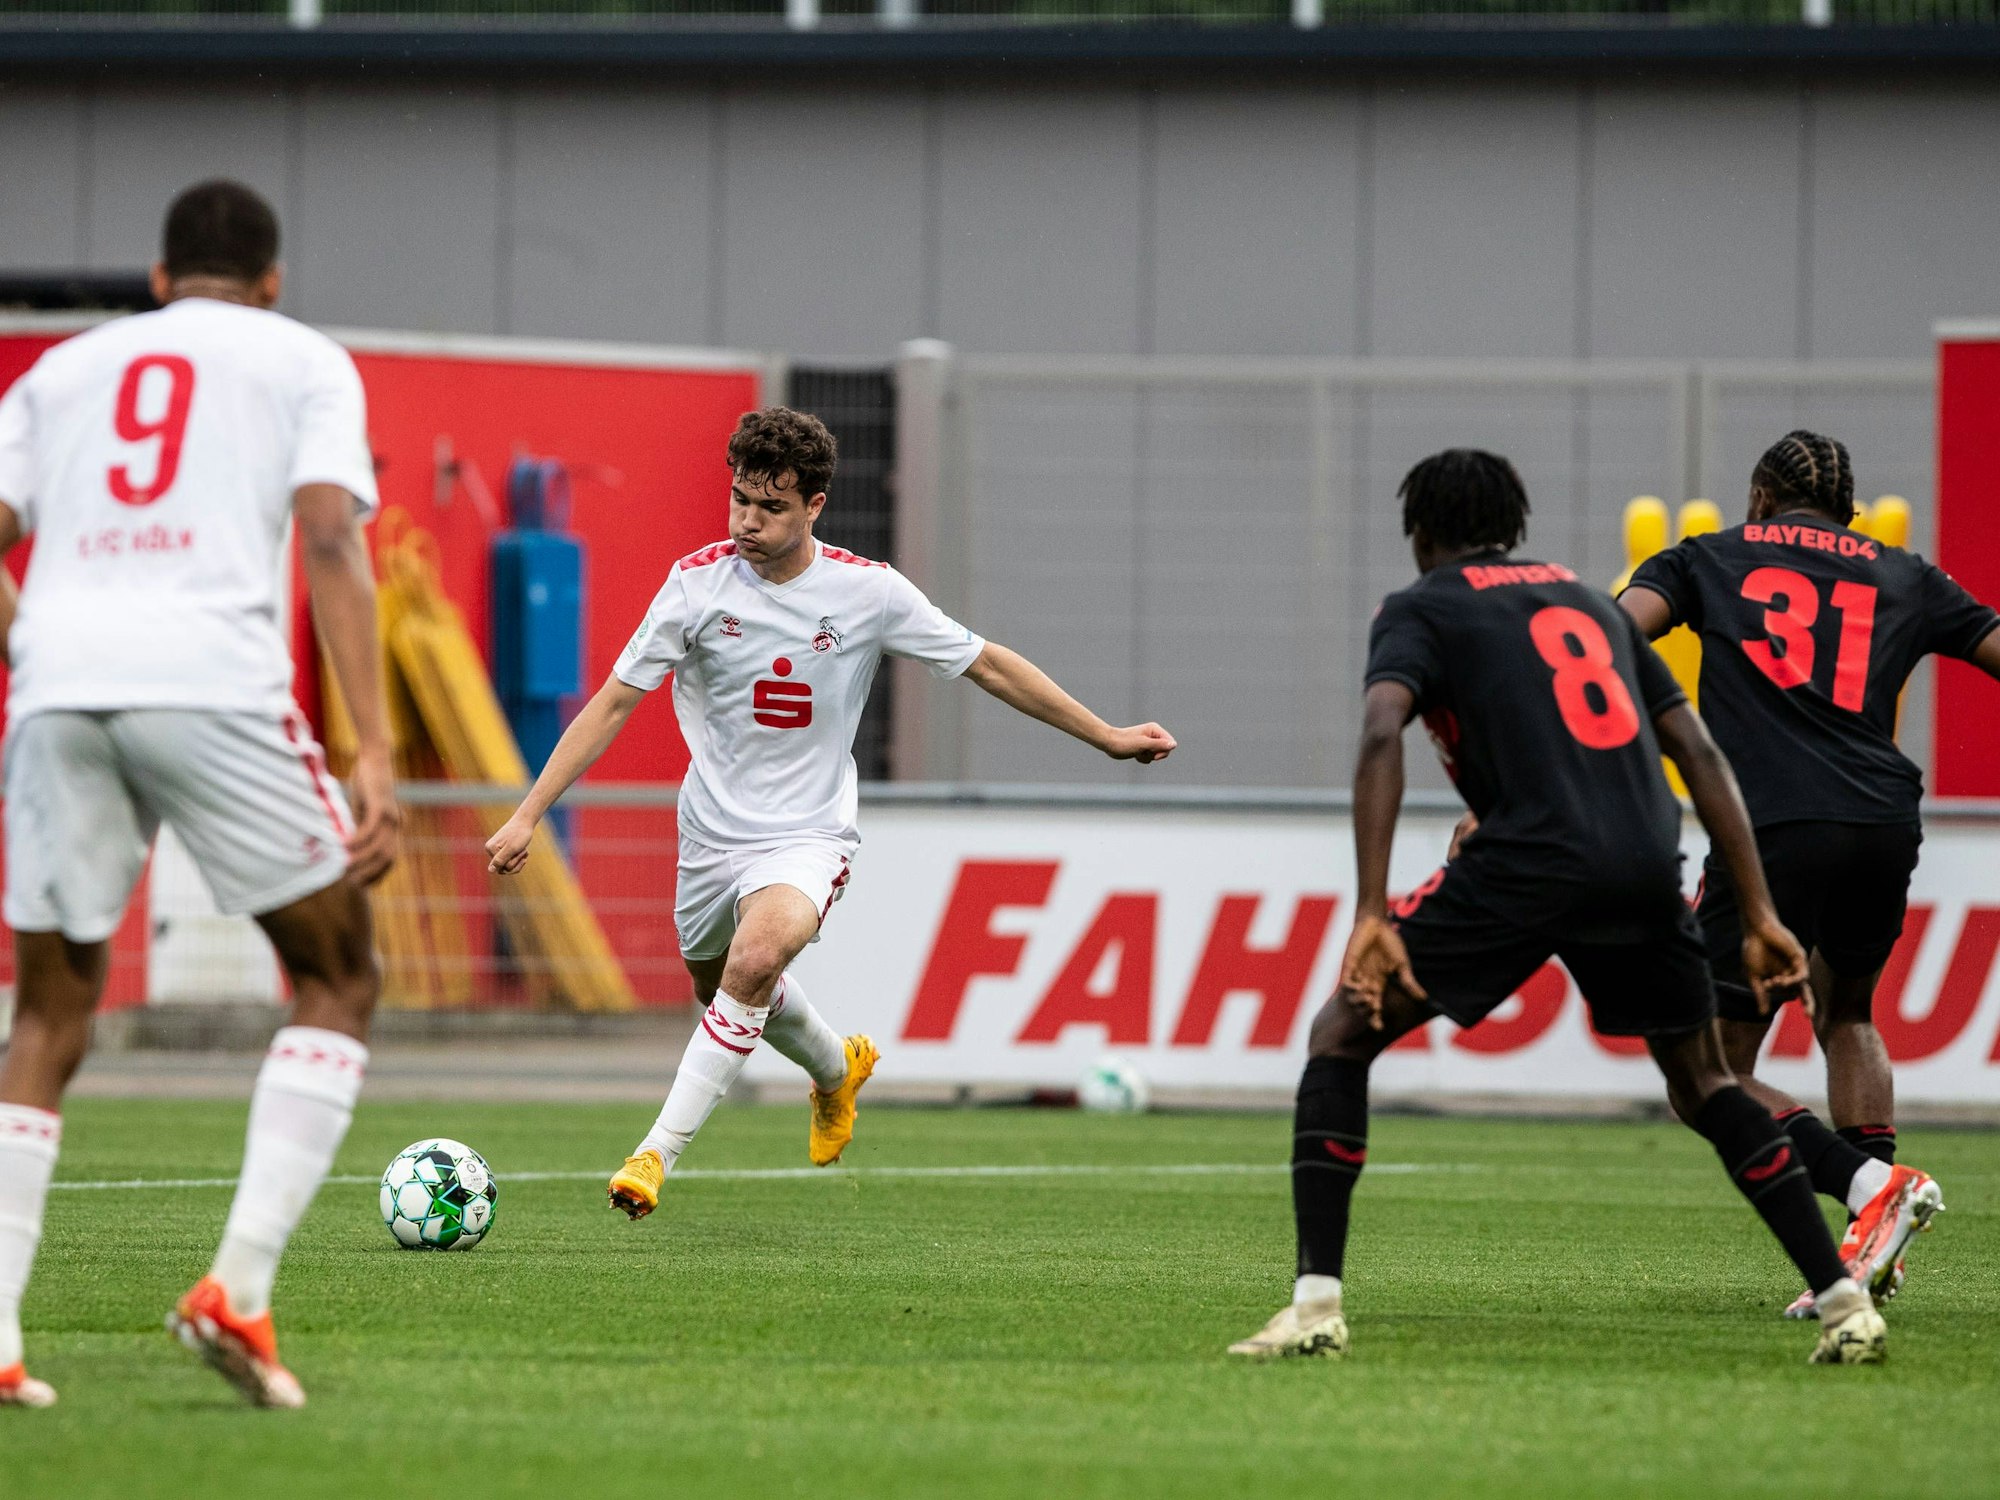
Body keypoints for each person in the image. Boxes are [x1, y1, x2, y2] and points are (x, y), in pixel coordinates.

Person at [1227, 449, 1885, 1366]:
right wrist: (1764, 911)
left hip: (1527, 862)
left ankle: (1314, 1306)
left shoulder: (1422, 606)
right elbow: (1697, 750)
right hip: (1645, 863)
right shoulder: (1586, 601)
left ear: (1422, 535)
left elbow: (1383, 730)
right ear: (1515, 526)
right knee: (1706, 1084)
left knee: (1342, 1032)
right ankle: (1846, 1301)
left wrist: (1372, 908)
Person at [485, 407, 1174, 1220]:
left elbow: (986, 665)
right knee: (724, 988)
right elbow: (612, 704)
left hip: (807, 834)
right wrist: (529, 813)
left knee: (755, 961)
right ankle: (836, 1069)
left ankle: (652, 1156)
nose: (747, 520)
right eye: (739, 499)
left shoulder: (868, 592)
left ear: (815, 505)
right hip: (710, 832)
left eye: (770, 507)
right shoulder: (695, 586)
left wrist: (1104, 736)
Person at [0, 181, 398, 1409]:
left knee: (49, 1009)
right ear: (270, 279)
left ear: (160, 278)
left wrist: (33, 643)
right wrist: (370, 747)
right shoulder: (306, 360)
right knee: (338, 969)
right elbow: (329, 537)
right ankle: (238, 1288)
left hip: (60, 689)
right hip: (213, 683)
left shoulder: (57, 374)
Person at [1619, 430, 1994, 1316]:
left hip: (1772, 828)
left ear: (1758, 498)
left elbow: (1608, 634)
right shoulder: (1906, 573)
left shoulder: (1708, 557)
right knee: (1848, 1008)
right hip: (1884, 820)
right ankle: (1873, 1235)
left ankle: (1869, 1187)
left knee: (1703, 1071)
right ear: (1850, 511)